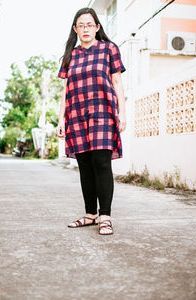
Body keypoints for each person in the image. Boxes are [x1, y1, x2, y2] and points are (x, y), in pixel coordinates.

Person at [57, 7, 126, 235]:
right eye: (81, 25)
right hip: (76, 115)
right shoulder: (71, 56)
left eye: (90, 25)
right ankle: (90, 215)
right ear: (75, 29)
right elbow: (66, 91)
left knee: (102, 163)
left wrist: (122, 113)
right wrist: (61, 120)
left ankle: (105, 216)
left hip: (103, 113)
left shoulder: (109, 49)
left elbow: (117, 82)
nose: (85, 29)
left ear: (97, 27)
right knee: (84, 166)